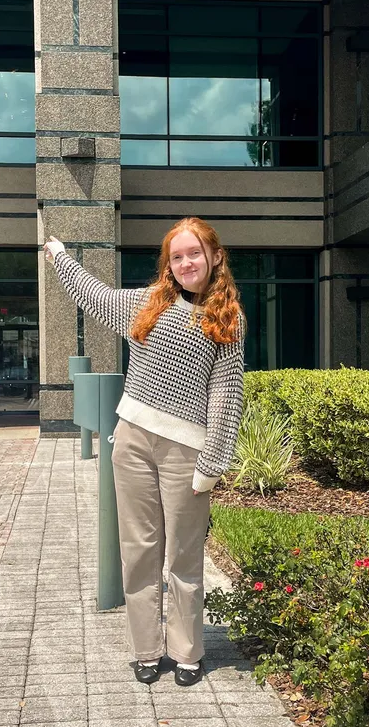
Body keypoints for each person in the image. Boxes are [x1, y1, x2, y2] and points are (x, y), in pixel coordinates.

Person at [44, 217, 245, 687]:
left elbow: (226, 394)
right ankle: (146, 649)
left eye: (193, 253)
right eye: (176, 256)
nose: (185, 263)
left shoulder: (228, 317)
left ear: (214, 256)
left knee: (184, 556)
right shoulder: (147, 302)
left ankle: (187, 650)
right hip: (132, 439)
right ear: (168, 263)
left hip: (186, 452)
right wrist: (60, 258)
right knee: (139, 551)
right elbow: (93, 297)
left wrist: (212, 462)